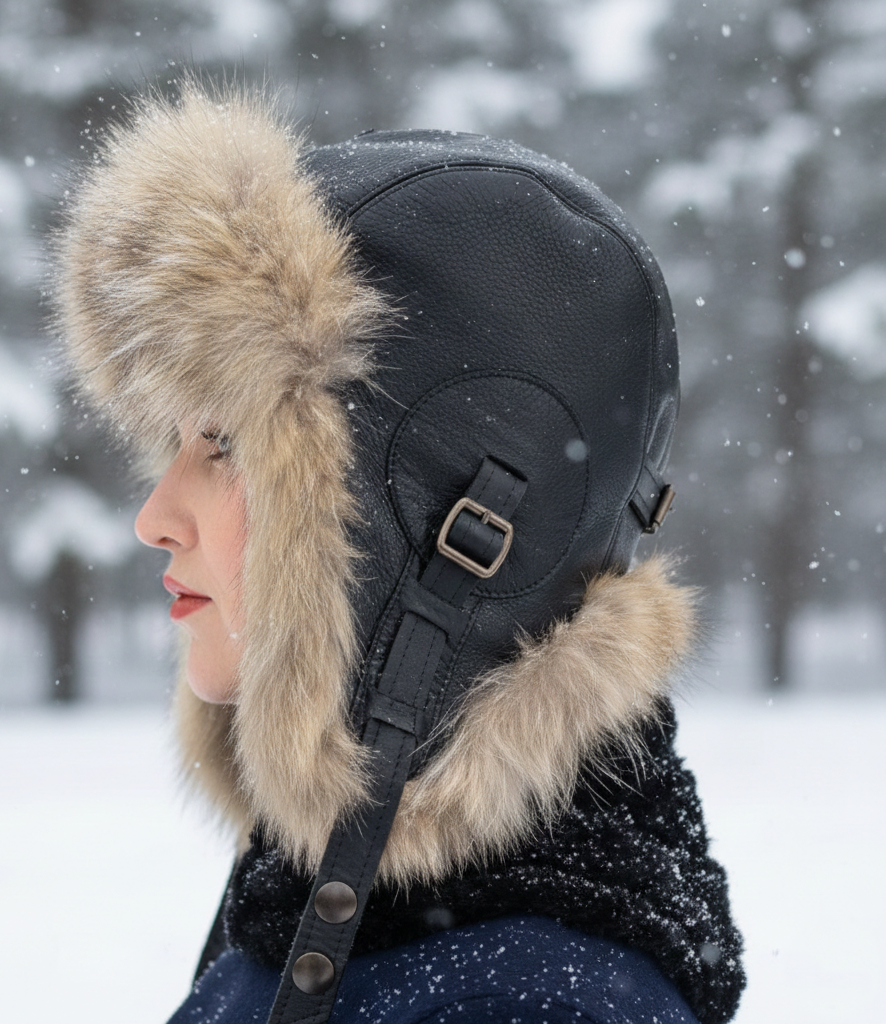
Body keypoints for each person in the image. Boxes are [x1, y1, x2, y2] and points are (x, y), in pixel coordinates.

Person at [55, 82, 745, 1024]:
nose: (155, 516)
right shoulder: (345, 889)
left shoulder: (529, 1000)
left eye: (224, 444)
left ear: (461, 539)